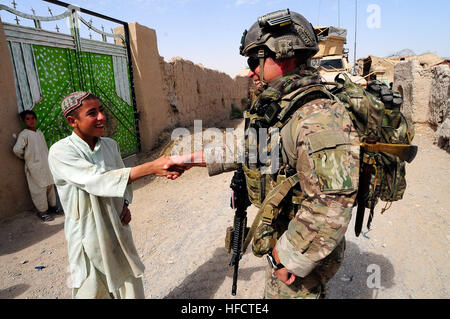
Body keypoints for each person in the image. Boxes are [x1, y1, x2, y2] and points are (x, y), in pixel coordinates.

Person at [166, 9, 360, 299]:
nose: (251, 69)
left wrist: (289, 259)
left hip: (302, 243)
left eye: (254, 60)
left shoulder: (316, 116)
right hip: (289, 234)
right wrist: (188, 160)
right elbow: (250, 148)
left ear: (282, 55)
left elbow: (332, 203)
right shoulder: (284, 107)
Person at [48, 91, 182, 299]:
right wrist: (150, 168)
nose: (101, 117)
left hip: (116, 226)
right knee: (93, 288)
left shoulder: (110, 145)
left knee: (128, 282)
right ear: (72, 121)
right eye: (92, 113)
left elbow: (120, 180)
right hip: (87, 233)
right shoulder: (61, 152)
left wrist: (125, 204)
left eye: (101, 110)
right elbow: (97, 180)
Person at [13, 110, 62, 222]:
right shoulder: (24, 134)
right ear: (24, 121)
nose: (31, 121)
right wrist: (26, 158)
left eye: (33, 118)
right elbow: (16, 150)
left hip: (45, 164)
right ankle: (42, 212)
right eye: (28, 119)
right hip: (34, 167)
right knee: (38, 189)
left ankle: (53, 206)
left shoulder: (39, 133)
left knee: (50, 186)